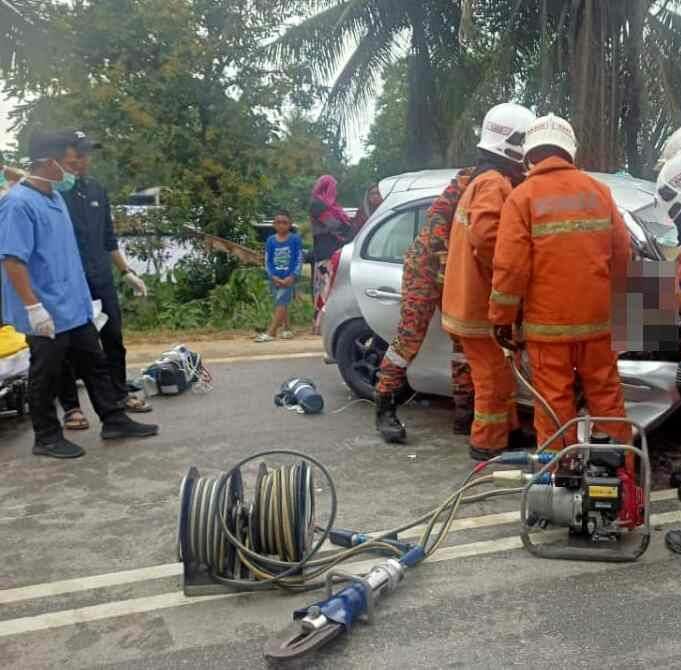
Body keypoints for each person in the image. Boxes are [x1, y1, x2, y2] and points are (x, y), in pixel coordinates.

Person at [0, 129, 159, 459]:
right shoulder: (18, 204)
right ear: (48, 162)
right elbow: (12, 260)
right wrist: (33, 308)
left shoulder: (54, 197)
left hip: (73, 303)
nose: (74, 169)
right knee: (48, 372)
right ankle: (46, 436)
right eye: (68, 162)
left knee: (95, 361)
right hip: (45, 307)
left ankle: (113, 419)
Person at [489, 113, 631, 454]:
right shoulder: (600, 192)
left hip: (547, 329)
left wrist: (501, 318)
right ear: (569, 152)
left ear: (529, 156)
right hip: (599, 326)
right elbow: (623, 256)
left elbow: (510, 268)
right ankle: (620, 482)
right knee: (607, 399)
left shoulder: (522, 197)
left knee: (553, 405)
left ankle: (557, 483)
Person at [441, 103, 536, 461]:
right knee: (492, 378)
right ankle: (487, 442)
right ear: (512, 146)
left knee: (498, 372)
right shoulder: (494, 184)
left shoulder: (481, 181)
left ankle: (507, 430)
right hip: (478, 306)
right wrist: (516, 277)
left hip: (468, 301)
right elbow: (490, 239)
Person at [53, 130, 151, 431]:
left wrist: (127, 272)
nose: (83, 161)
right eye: (77, 155)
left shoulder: (97, 190)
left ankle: (119, 396)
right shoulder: (54, 194)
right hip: (70, 281)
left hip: (101, 278)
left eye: (86, 155)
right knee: (69, 348)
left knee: (112, 339)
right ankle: (71, 408)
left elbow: (108, 239)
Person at [375, 168, 476, 444]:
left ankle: (465, 414)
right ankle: (385, 406)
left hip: (457, 266)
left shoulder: (510, 181)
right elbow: (437, 226)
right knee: (409, 336)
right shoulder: (471, 180)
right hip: (427, 265)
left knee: (464, 338)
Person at [310, 175, 352, 334]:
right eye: (334, 187)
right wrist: (347, 227)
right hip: (325, 252)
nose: (336, 191)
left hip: (330, 251)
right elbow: (335, 225)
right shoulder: (318, 205)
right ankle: (319, 325)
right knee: (325, 288)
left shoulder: (329, 206)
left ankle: (323, 324)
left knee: (329, 288)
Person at [256, 210, 303, 343]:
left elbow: (298, 259)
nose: (281, 225)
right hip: (275, 279)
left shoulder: (295, 239)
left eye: (284, 222)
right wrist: (273, 277)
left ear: (290, 224)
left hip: (288, 279)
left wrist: (292, 276)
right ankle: (287, 328)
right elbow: (267, 261)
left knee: (281, 302)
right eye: (278, 222)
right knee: (281, 303)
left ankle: (271, 332)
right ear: (274, 224)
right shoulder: (270, 240)